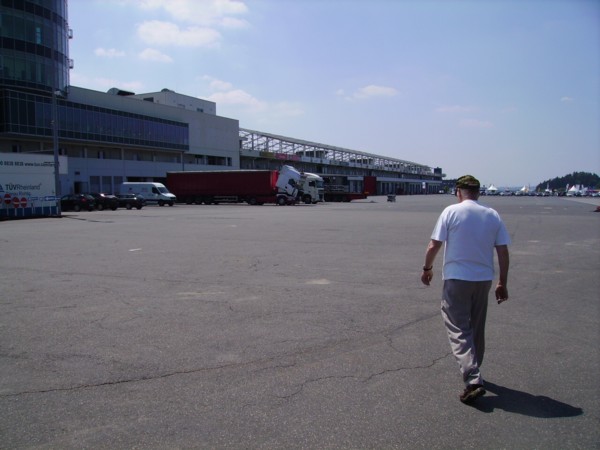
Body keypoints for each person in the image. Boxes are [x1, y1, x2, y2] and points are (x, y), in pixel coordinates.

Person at [421, 175, 511, 404]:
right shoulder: (492, 214)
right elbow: (502, 251)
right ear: (478, 193)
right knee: (477, 327)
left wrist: (427, 268)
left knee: (457, 326)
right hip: (483, 279)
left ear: (458, 192)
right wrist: (502, 282)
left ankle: (473, 378)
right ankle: (476, 369)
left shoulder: (451, 211)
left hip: (457, 278)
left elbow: (434, 244)